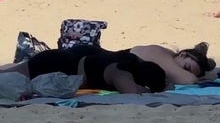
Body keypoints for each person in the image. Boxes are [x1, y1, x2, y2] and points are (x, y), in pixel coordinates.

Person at [0, 45, 166, 94]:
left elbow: (166, 81)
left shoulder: (132, 61)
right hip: (58, 64)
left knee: (6, 73)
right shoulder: (122, 72)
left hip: (65, 58)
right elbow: (132, 94)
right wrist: (153, 91)